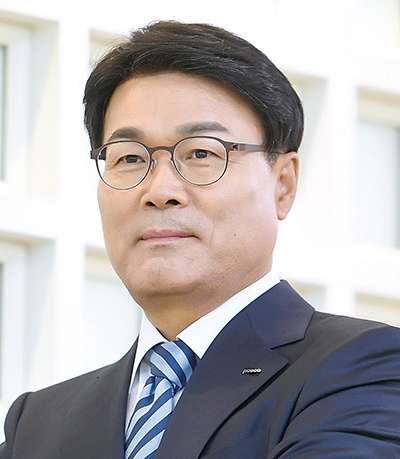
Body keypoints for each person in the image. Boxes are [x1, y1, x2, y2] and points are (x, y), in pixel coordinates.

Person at [1, 20, 400, 459]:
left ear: (283, 185)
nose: (159, 191)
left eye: (201, 153)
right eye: (129, 158)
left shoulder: (364, 368)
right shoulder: (36, 424)